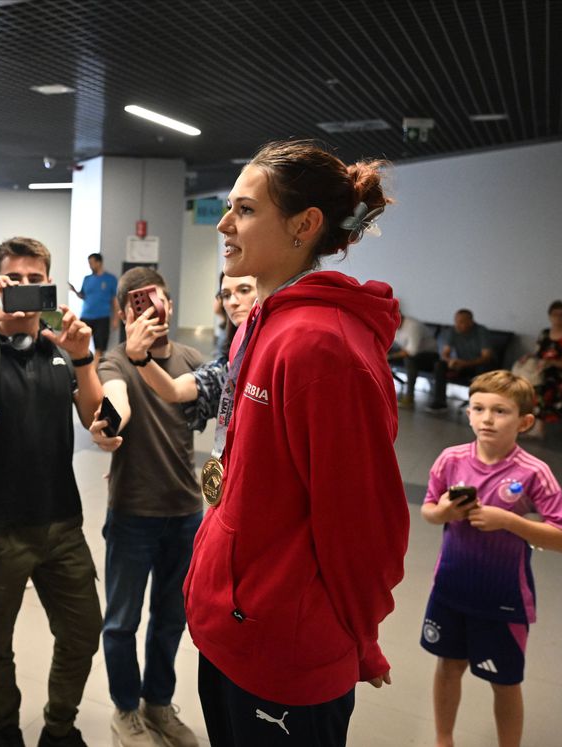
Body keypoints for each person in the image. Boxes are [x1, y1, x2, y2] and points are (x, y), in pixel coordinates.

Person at [183, 140, 409, 746]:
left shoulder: (323, 347)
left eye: (246, 210)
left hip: (286, 650)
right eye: (229, 208)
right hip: (231, 627)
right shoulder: (259, 322)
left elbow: (363, 524)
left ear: (304, 225)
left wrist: (362, 635)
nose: (224, 224)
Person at [0, 237, 103, 747]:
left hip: (61, 520)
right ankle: (6, 727)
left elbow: (93, 417)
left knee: (83, 632)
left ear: (50, 285)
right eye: (15, 279)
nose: (26, 288)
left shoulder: (61, 345)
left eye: (36, 280)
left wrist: (84, 358)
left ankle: (59, 727)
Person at [419, 370, 562, 747]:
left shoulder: (534, 473)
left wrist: (508, 521)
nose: (487, 419)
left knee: (505, 682)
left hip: (503, 599)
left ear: (525, 422)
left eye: (500, 411)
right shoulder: (450, 459)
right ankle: (443, 739)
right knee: (448, 666)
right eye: (478, 408)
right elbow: (428, 510)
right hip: (450, 590)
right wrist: (443, 513)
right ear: (468, 413)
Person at [86, 268, 201, 747]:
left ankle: (158, 703)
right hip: (134, 513)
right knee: (121, 622)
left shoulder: (191, 358)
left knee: (172, 619)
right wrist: (107, 425)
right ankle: (126, 709)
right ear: (122, 313)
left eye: (157, 300)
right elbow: (117, 402)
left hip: (186, 512)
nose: (151, 309)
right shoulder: (115, 362)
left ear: (169, 304)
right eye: (138, 303)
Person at [127, 273, 257, 431]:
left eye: (244, 290)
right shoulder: (227, 368)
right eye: (226, 295)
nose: (233, 302)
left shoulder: (275, 349)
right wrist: (140, 357)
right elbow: (174, 391)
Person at [523, 300, 562, 428]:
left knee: (548, 387)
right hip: (542, 373)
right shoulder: (545, 334)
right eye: (555, 314)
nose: (558, 318)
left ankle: (550, 428)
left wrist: (552, 362)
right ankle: (536, 426)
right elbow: (537, 353)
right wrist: (528, 357)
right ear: (550, 316)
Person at [428, 308, 495, 412]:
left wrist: (465, 364)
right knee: (440, 364)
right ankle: (439, 402)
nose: (458, 325)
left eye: (461, 322)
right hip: (461, 364)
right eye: (456, 321)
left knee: (484, 369)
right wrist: (450, 361)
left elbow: (486, 357)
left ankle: (479, 405)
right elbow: (445, 353)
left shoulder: (481, 332)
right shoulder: (453, 331)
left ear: (470, 322)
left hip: (478, 365)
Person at [388, 309, 439, 408]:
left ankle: (409, 396)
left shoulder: (413, 326)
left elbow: (412, 351)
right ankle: (383, 391)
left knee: (409, 360)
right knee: (379, 357)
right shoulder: (393, 325)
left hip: (429, 356)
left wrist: (389, 357)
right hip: (407, 352)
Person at [69, 252, 116, 354]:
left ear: (99, 263)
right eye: (89, 263)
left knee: (100, 346)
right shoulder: (87, 279)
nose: (90, 265)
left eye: (91, 263)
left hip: (102, 317)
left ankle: (95, 364)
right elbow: (83, 296)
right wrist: (75, 291)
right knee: (79, 342)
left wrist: (115, 319)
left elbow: (115, 301)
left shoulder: (110, 279)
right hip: (86, 316)